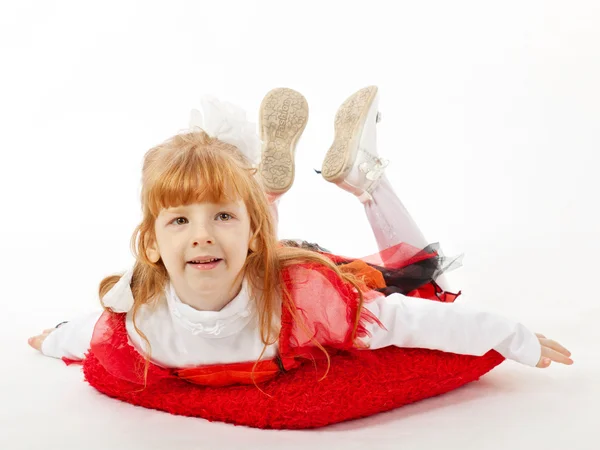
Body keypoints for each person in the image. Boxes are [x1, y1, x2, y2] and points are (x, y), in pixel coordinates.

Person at [28, 88, 572, 391]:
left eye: (219, 216)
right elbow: (91, 331)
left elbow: (408, 321)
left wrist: (508, 333)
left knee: (420, 285)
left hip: (298, 270)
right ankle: (297, 183)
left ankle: (363, 182)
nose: (198, 237)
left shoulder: (306, 303)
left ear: (253, 231)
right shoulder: (144, 319)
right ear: (150, 245)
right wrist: (53, 339)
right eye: (178, 222)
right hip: (260, 254)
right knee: (230, 239)